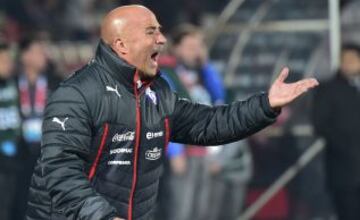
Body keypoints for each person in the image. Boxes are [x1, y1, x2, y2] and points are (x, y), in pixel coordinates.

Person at [26, 5, 318, 220]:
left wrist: (266, 105)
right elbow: (60, 172)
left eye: (160, 31)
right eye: (151, 32)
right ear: (121, 45)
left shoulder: (157, 92)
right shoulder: (76, 94)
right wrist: (103, 216)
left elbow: (210, 124)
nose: (162, 40)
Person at [159, 24, 226, 220]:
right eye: (190, 47)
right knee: (181, 209)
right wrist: (174, 152)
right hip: (182, 151)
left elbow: (219, 96)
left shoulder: (201, 74)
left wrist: (205, 64)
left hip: (203, 150)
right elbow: (166, 114)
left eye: (199, 46)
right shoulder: (166, 74)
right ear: (176, 48)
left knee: (202, 210)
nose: (195, 51)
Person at [313, 43, 360, 220]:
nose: (348, 64)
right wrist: (348, 146)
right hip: (343, 171)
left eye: (353, 59)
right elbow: (320, 124)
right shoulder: (328, 89)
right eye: (345, 60)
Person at [0, 41, 22, 220]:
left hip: (13, 155)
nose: (9, 64)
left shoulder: (12, 82)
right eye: (4, 59)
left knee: (11, 204)